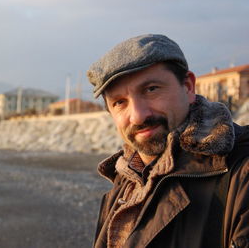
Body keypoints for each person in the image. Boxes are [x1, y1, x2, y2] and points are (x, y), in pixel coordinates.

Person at [87, 34, 249, 248]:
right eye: (120, 102)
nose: (138, 116)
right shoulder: (124, 179)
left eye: (151, 89)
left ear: (189, 87)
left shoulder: (241, 171)